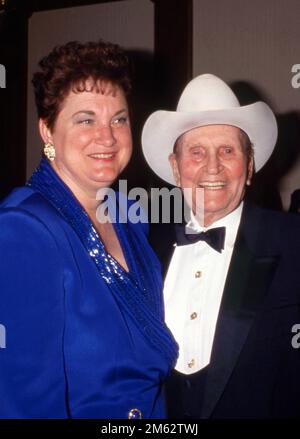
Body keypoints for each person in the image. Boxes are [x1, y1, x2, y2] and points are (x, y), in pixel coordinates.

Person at [0, 40, 177, 419]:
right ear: (47, 131)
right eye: (85, 120)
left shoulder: (131, 218)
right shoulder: (23, 229)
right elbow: (24, 403)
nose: (107, 137)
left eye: (119, 118)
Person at [142, 73, 300, 419]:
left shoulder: (293, 241)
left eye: (227, 150)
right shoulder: (142, 249)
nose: (212, 166)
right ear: (176, 168)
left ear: (249, 167)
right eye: (196, 152)